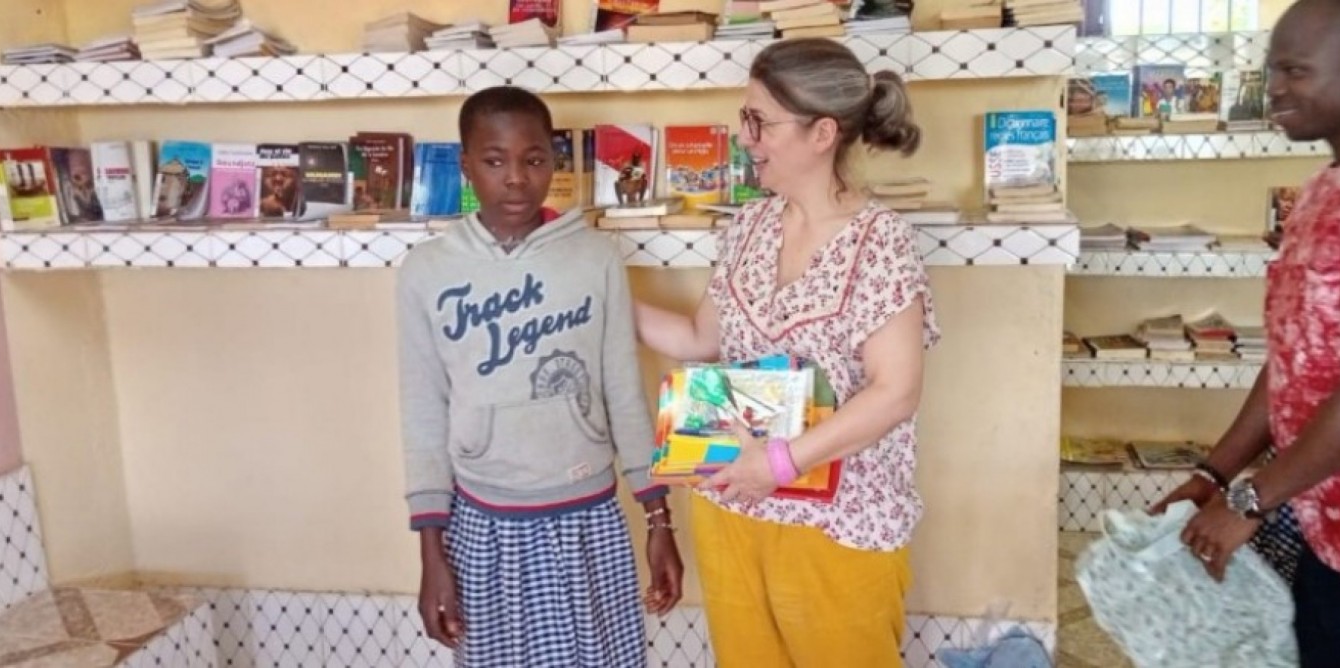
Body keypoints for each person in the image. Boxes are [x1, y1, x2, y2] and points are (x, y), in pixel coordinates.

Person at [634, 38, 940, 667]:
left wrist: (778, 463)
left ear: (822, 132)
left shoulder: (880, 243)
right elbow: (701, 340)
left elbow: (895, 392)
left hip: (839, 522)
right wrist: (606, 302)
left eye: (759, 121)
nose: (746, 137)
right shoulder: (749, 225)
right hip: (732, 504)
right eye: (745, 118)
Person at [1155, 1, 1340, 665]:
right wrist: (1214, 472)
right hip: (1330, 522)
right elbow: (1293, 364)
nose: (1273, 89)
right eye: (1273, 69)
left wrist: (1249, 500)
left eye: (1295, 70)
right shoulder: (1325, 192)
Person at [395, 85, 683, 667]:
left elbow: (623, 391)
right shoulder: (425, 271)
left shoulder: (595, 258)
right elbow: (424, 413)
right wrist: (432, 553)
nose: (516, 179)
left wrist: (658, 517)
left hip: (589, 520)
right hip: (483, 526)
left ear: (554, 161)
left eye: (533, 160)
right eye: (495, 161)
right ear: (466, 165)